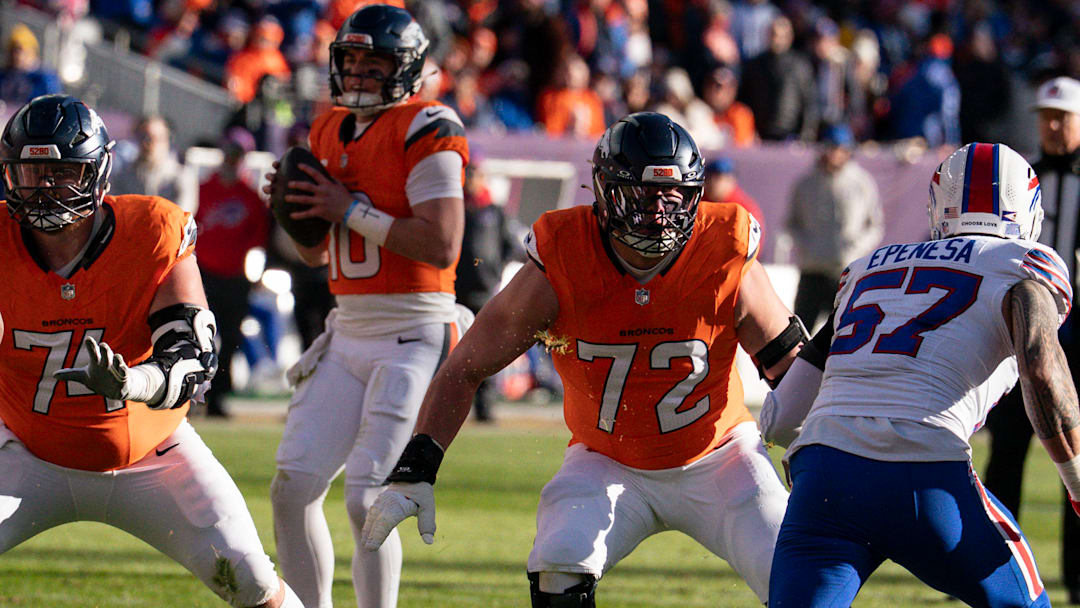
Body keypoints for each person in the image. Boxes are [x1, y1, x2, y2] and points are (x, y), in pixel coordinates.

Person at [359, 112, 802, 607]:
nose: (659, 212)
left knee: (798, 575)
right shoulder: (564, 255)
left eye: (672, 196)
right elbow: (466, 367)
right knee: (559, 559)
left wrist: (814, 450)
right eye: (643, 196)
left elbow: (791, 369)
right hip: (605, 460)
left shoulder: (723, 247)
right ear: (606, 192)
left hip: (721, 455)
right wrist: (417, 466)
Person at [0, 95, 302, 607]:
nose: (48, 186)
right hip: (28, 449)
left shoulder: (152, 230)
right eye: (34, 171)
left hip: (152, 455)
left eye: (65, 170)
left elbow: (192, 357)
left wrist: (131, 383)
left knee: (250, 579)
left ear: (97, 173)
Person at [760, 142, 1079, 607]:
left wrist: (826, 470)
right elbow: (1041, 368)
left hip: (825, 472)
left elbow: (782, 416)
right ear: (1028, 211)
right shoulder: (1024, 266)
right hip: (926, 472)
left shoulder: (866, 270)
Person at [264, 6, 469, 608]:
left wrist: (345, 207)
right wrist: (292, 206)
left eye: (373, 61)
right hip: (348, 329)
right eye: (350, 59)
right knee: (292, 486)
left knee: (367, 497)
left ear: (404, 68)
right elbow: (313, 255)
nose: (358, 72)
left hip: (414, 329)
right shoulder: (327, 127)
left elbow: (441, 242)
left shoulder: (428, 124)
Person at [983, 75, 1080, 603]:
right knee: (1007, 450)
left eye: (1062, 117)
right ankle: (985, 565)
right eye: (1046, 116)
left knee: (1077, 454)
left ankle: (1078, 576)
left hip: (1079, 335)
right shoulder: (1024, 183)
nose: (1052, 125)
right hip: (1022, 329)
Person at [194, 126, 270, 418]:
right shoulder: (203, 188)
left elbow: (258, 241)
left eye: (237, 154)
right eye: (228, 153)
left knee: (229, 339)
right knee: (198, 337)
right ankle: (191, 395)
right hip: (204, 274)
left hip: (236, 278)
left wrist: (256, 275)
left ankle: (219, 398)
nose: (231, 159)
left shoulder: (250, 197)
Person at [784, 123, 882, 330]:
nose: (834, 154)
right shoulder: (806, 184)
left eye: (839, 149)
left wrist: (856, 248)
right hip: (813, 270)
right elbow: (791, 223)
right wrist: (806, 245)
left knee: (844, 331)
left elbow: (875, 226)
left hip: (845, 272)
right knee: (801, 332)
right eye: (830, 148)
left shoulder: (861, 183)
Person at [454, 150, 524, 422]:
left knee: (484, 351)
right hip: (456, 292)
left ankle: (484, 407)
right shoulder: (457, 208)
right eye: (468, 172)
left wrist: (494, 269)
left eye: (476, 172)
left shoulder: (494, 211)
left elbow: (509, 245)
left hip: (484, 293)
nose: (472, 178)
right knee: (453, 351)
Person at [110, 114, 196, 213]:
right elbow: (115, 209)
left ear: (167, 139)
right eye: (142, 137)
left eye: (154, 138)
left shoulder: (182, 177)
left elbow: (182, 216)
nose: (147, 144)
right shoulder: (123, 175)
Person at [0, 24, 61, 105]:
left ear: (32, 51)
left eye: (19, 50)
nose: (15, 56)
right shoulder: (5, 76)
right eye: (11, 51)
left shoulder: (45, 78)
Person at [703, 156, 764, 237]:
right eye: (709, 177)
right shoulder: (698, 200)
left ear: (731, 181)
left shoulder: (743, 208)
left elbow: (752, 242)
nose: (713, 183)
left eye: (719, 179)